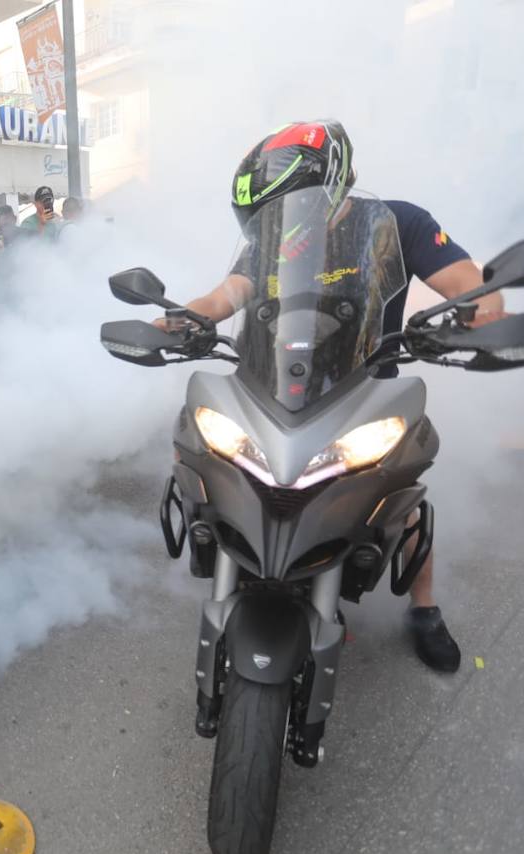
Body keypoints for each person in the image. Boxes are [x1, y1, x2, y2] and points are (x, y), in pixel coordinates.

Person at [181, 120, 505, 674]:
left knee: (402, 500)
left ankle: (423, 608)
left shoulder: (399, 223)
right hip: (278, 383)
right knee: (208, 458)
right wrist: (183, 318)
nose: (277, 220)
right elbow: (227, 294)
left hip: (365, 390)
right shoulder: (276, 241)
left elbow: (468, 283)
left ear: (330, 185)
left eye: (284, 204)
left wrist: (477, 311)